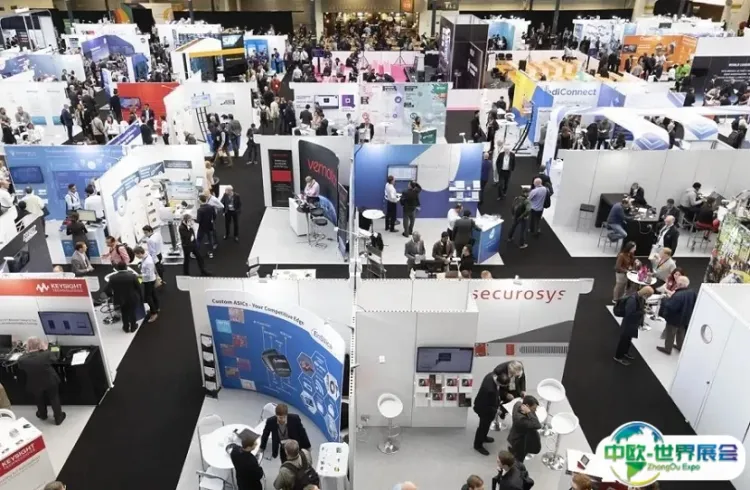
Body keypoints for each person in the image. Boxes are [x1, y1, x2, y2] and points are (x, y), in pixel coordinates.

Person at [18, 337, 66, 425]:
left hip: (34, 382)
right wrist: (45, 349)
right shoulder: (46, 354)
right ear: (40, 345)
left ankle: (43, 415)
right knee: (54, 398)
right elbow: (55, 360)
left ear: (27, 346)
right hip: (50, 381)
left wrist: (27, 353)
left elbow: (21, 367)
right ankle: (58, 418)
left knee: (39, 398)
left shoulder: (22, 359)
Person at [613, 286, 653, 366]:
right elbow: (629, 313)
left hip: (633, 323)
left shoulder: (639, 298)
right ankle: (618, 356)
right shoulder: (632, 300)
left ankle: (625, 352)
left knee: (628, 340)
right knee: (624, 340)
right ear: (645, 293)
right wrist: (642, 312)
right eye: (648, 296)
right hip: (628, 323)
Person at [657, 276, 696, 355]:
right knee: (681, 333)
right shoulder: (692, 292)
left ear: (680, 284)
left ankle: (667, 349)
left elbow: (671, 307)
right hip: (685, 318)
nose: (676, 284)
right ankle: (680, 347)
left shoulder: (678, 295)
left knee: (670, 334)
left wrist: (665, 300)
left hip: (674, 319)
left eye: (677, 283)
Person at [473, 365, 502, 455]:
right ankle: (478, 445)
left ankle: (484, 437)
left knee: (486, 425)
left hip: (486, 407)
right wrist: (496, 411)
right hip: (484, 409)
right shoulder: (490, 390)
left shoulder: (490, 376)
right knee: (482, 427)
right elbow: (486, 405)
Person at [107, 262, 142, 333]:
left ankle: (126, 327)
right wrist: (140, 296)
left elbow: (108, 289)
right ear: (126, 267)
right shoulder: (132, 276)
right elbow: (138, 288)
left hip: (120, 299)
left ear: (117, 268)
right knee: (132, 312)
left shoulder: (112, 277)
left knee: (124, 313)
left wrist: (113, 296)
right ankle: (133, 327)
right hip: (132, 298)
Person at [507, 395, 542, 463]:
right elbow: (537, 425)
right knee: (518, 460)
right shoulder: (521, 420)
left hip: (514, 436)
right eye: (534, 408)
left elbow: (519, 402)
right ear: (527, 406)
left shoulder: (518, 404)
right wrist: (529, 412)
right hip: (519, 444)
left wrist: (529, 411)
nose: (535, 410)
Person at [134, 246, 159, 323]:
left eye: (136, 255)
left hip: (149, 281)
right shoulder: (145, 256)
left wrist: (139, 276)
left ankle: (154, 313)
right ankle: (156, 308)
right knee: (153, 294)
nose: (136, 257)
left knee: (148, 298)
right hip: (149, 279)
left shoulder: (148, 262)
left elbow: (148, 274)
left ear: (140, 253)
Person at [196, 195, 217, 259]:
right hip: (209, 226)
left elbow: (198, 221)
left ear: (200, 201)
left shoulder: (200, 210)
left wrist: (192, 219)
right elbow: (214, 216)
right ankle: (211, 253)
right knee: (210, 239)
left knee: (199, 239)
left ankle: (195, 253)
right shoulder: (211, 207)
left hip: (202, 227)